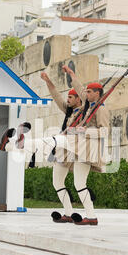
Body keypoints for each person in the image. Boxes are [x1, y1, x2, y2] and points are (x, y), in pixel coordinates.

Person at [0, 66, 110, 225]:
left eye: (89, 92)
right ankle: (70, 213)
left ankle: (91, 217)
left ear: (97, 93)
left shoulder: (101, 110)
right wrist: (71, 74)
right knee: (57, 178)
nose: (85, 93)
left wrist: (84, 131)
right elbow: (76, 89)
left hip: (83, 148)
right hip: (71, 145)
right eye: (85, 92)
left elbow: (104, 132)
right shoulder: (87, 106)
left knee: (52, 143)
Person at [40, 71, 84, 224]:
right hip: (62, 150)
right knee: (57, 182)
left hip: (75, 151)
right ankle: (69, 212)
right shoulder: (70, 111)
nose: (68, 100)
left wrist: (73, 74)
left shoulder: (86, 112)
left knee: (79, 184)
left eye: (71, 97)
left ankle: (88, 214)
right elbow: (57, 97)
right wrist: (48, 81)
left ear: (79, 98)